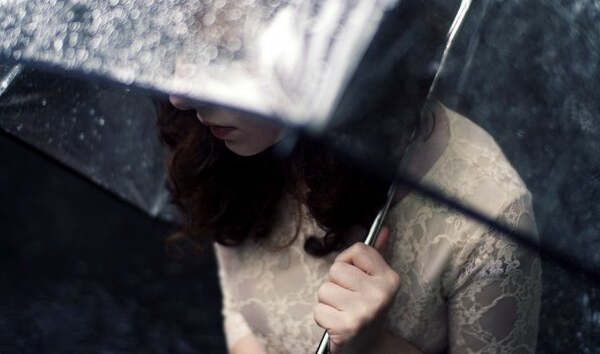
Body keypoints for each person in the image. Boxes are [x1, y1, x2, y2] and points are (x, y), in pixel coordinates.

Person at [156, 93, 541, 353]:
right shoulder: (223, 143)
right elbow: (239, 309)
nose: (179, 97)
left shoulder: (491, 220)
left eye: (227, 51)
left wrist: (373, 347)